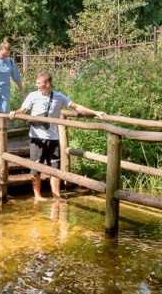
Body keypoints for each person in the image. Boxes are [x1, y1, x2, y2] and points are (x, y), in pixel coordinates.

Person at [10, 71, 105, 201]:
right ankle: (37, 196)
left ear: (47, 83)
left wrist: (95, 112)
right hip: (37, 137)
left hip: (53, 138)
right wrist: (15, 112)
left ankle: (56, 196)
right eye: (36, 83)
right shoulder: (32, 96)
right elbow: (23, 110)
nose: (36, 85)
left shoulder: (58, 96)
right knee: (36, 167)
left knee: (55, 168)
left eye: (39, 83)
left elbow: (75, 106)